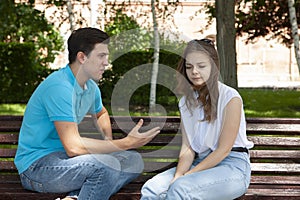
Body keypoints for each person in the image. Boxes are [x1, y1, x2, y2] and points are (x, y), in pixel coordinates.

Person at [14, 27, 160, 200]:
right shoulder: (59, 88)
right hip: (37, 167)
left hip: (69, 163)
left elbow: (101, 113)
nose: (106, 62)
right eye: (101, 56)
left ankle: (74, 197)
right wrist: (125, 143)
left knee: (134, 161)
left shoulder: (90, 87)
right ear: (82, 57)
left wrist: (108, 140)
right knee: (105, 167)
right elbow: (73, 147)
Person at [141, 39, 254, 200]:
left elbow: (224, 150)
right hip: (200, 163)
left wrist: (187, 176)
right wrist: (178, 175)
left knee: (181, 188)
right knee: (152, 189)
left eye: (201, 66)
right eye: (189, 67)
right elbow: (188, 148)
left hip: (232, 167)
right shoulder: (185, 102)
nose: (194, 71)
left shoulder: (231, 98)